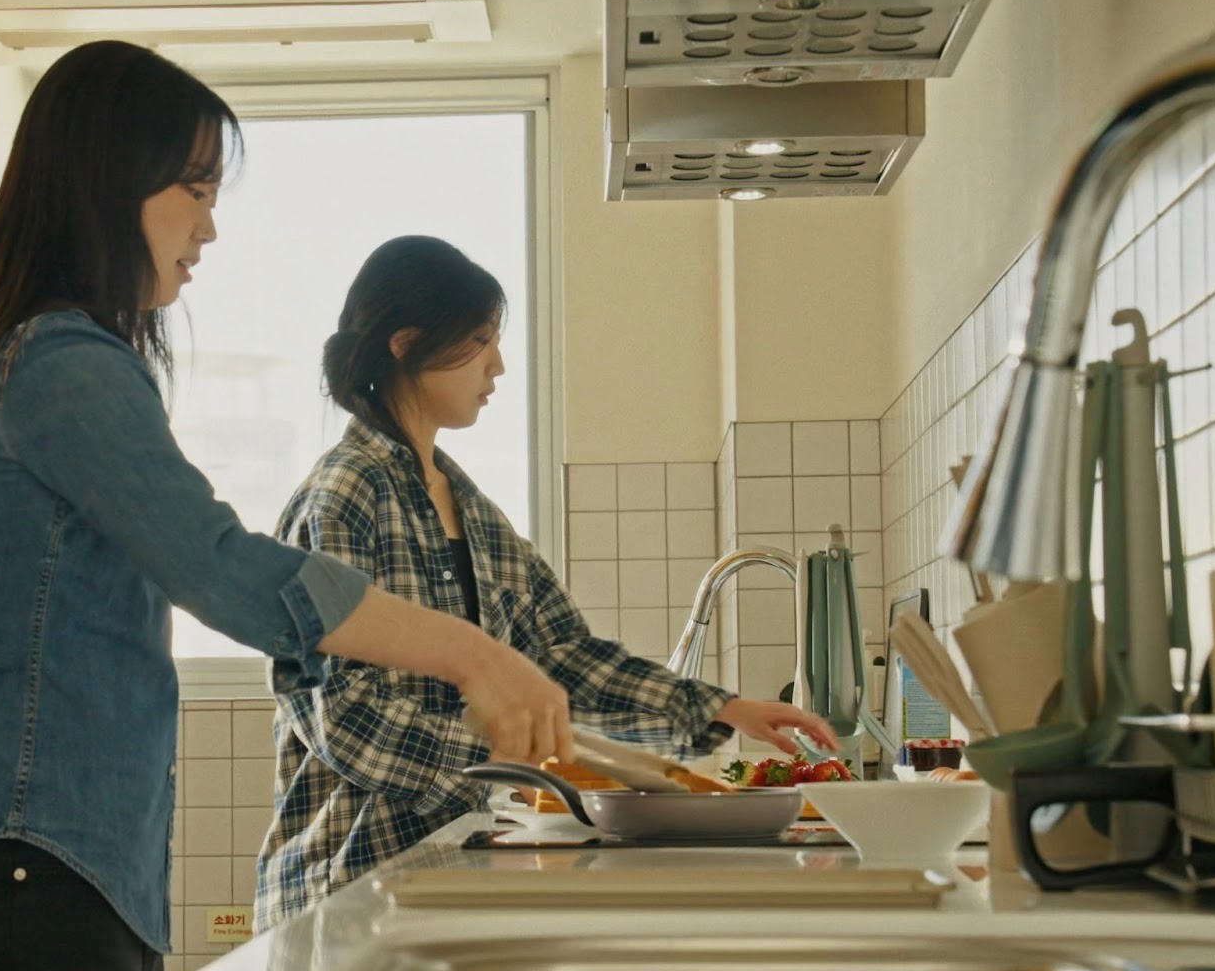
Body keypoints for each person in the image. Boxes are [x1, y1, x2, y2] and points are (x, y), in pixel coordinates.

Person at [0, 46, 574, 971]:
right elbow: (222, 568)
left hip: (42, 884)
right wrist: (471, 654)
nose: (209, 228)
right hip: (14, 888)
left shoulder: (54, 362)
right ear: (109, 184)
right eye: (193, 191)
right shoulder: (58, 366)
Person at [256, 236, 837, 931]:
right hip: (343, 892)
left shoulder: (472, 510)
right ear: (407, 344)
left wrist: (726, 709)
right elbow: (342, 714)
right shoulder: (342, 497)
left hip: (446, 878)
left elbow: (562, 659)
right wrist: (511, 755)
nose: (498, 365)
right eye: (479, 341)